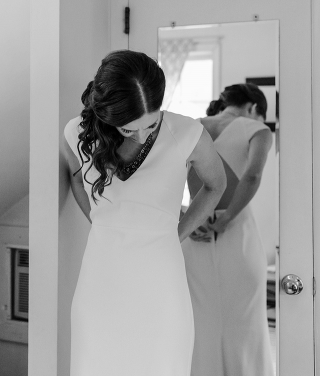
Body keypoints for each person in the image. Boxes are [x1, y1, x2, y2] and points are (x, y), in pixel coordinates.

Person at [63, 50, 226, 376]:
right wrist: (103, 222)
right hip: (100, 278)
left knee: (161, 364)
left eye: (150, 125)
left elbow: (215, 185)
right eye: (127, 130)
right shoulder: (76, 133)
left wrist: (176, 232)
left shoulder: (188, 133)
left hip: (161, 280)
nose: (140, 135)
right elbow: (77, 181)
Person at [182, 83, 275, 376]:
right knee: (245, 317)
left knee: (201, 316)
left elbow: (176, 177)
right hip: (236, 228)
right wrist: (227, 218)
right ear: (255, 109)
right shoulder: (258, 129)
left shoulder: (195, 127)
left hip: (195, 226)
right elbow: (252, 176)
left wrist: (190, 217)